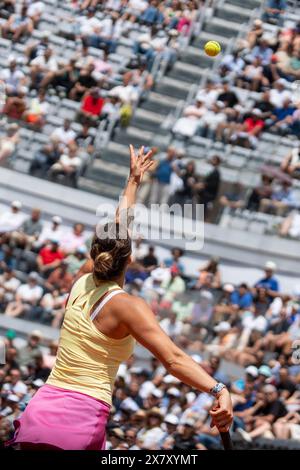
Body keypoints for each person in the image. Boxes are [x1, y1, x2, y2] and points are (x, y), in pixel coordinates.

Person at [7, 145, 233, 450]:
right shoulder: (127, 306)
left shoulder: (82, 279)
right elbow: (173, 358)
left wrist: (133, 182)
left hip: (41, 408)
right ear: (129, 259)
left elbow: (119, 227)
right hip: (81, 418)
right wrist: (219, 390)